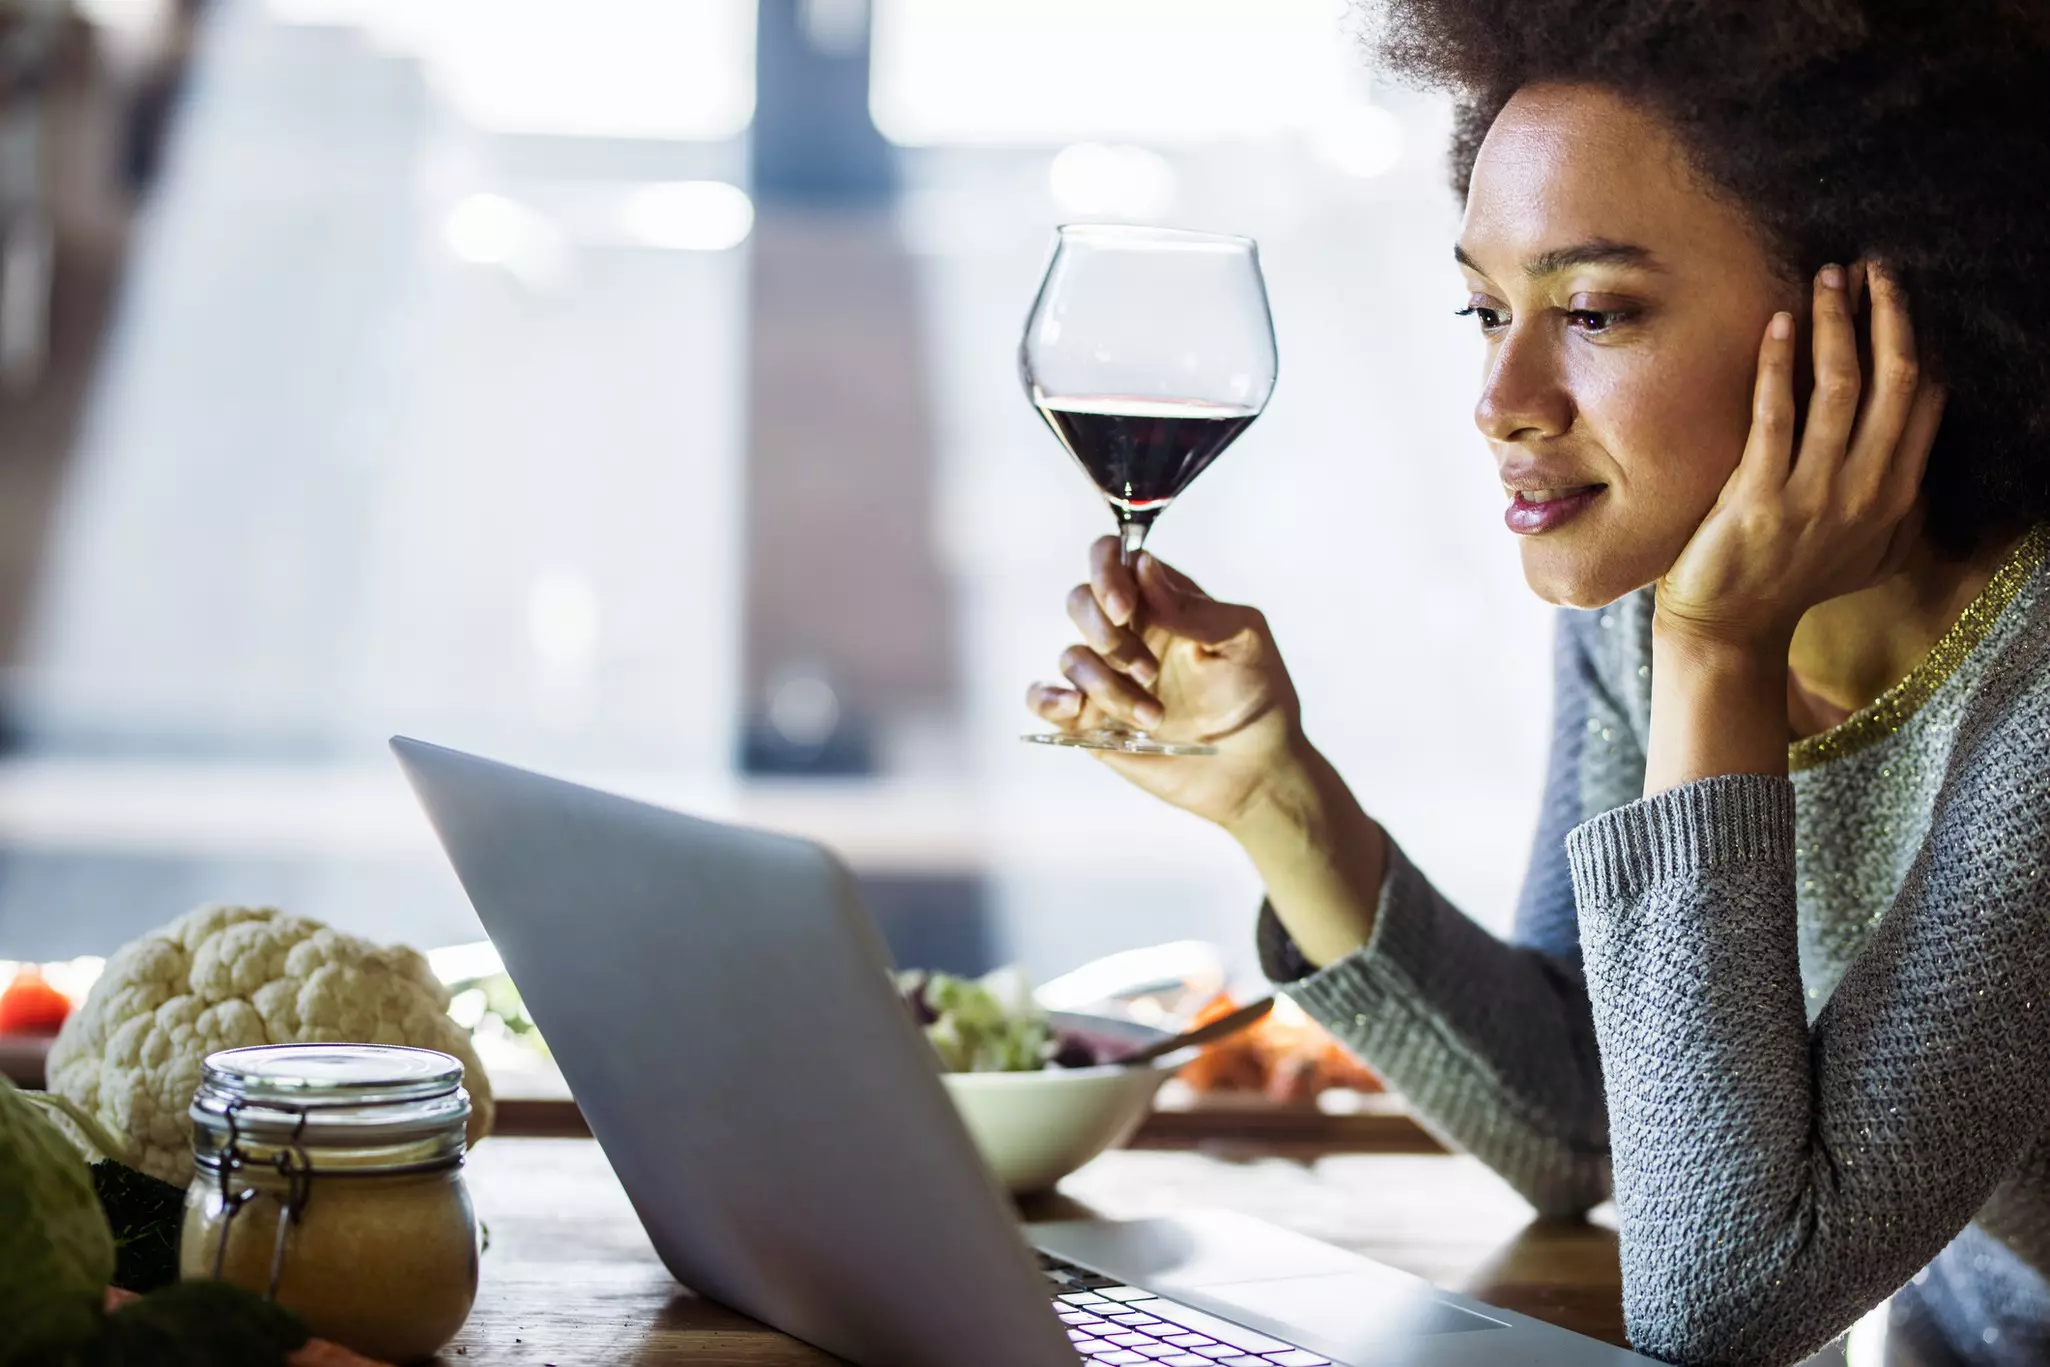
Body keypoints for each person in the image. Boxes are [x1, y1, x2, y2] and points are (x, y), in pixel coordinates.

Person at [1024, 4, 2050, 1365]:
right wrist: (1278, 797)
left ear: (1875, 316)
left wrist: (1717, 657)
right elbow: (1585, 1115)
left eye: (1590, 311)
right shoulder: (1652, 603)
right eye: (1484, 308)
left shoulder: (1961, 676)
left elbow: (1724, 1301)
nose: (1498, 396)